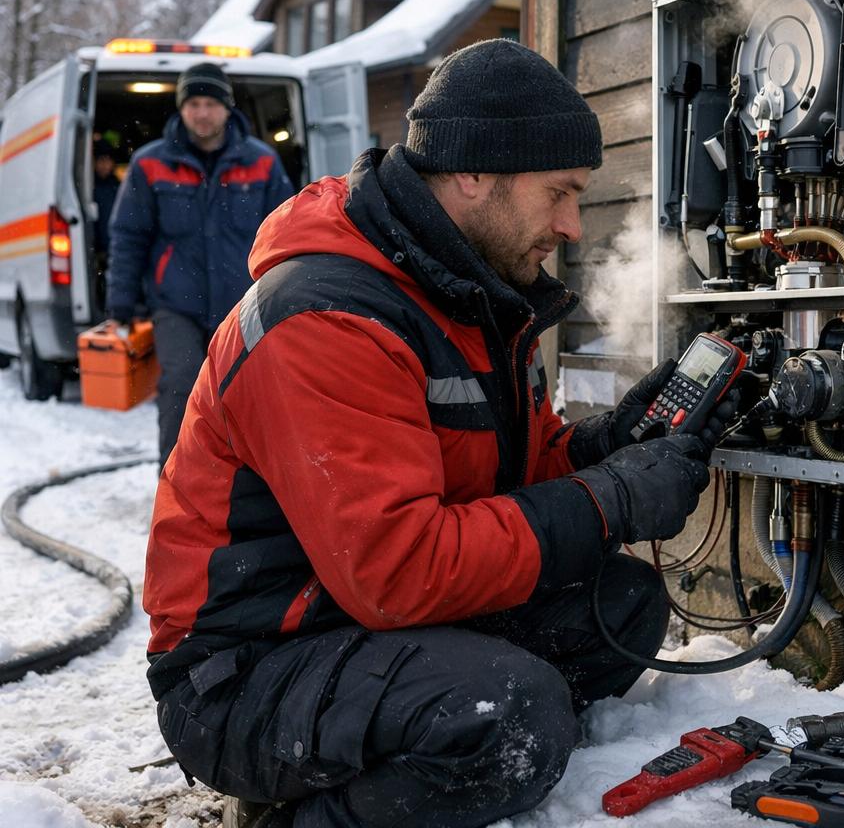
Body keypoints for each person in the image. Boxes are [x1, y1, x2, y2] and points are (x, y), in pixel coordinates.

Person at [143, 40, 736, 828]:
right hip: (242, 671)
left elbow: (506, 477)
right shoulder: (324, 316)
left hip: (351, 622)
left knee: (620, 609)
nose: (569, 225)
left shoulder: (465, 292)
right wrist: (607, 502)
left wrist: (603, 449)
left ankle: (407, 755)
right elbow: (396, 569)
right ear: (473, 174)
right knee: (509, 714)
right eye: (559, 193)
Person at [106, 62, 294, 468]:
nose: (202, 112)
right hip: (176, 305)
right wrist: (120, 304)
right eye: (193, 103)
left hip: (244, 303)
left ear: (227, 108)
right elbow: (128, 236)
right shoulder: (150, 163)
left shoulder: (262, 162)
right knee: (180, 388)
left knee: (250, 391)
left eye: (210, 103)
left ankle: (251, 492)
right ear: (181, 109)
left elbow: (288, 232)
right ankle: (174, 487)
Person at [91, 136, 121, 310]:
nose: (104, 165)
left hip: (113, 247)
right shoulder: (91, 188)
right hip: (99, 248)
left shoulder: (118, 187)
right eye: (100, 161)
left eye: (107, 161)